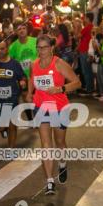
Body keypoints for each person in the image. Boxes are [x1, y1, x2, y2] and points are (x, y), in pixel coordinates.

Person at [27, 35, 81, 195]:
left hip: (59, 108)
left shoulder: (59, 64)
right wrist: (30, 93)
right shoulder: (34, 64)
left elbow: (77, 82)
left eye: (44, 47)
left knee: (60, 142)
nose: (40, 50)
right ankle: (50, 182)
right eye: (38, 47)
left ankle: (62, 163)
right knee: (45, 144)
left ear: (51, 48)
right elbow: (32, 79)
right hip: (41, 107)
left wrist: (60, 89)